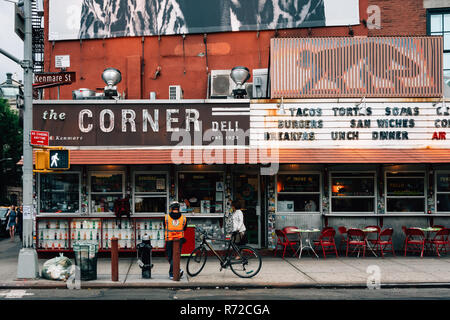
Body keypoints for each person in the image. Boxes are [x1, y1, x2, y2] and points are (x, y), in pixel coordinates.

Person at [164, 201, 187, 280]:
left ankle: (172, 273)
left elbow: (165, 226)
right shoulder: (183, 218)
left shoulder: (166, 217)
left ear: (171, 208)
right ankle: (177, 270)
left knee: (170, 256)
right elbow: (184, 228)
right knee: (176, 256)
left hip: (169, 239)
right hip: (179, 240)